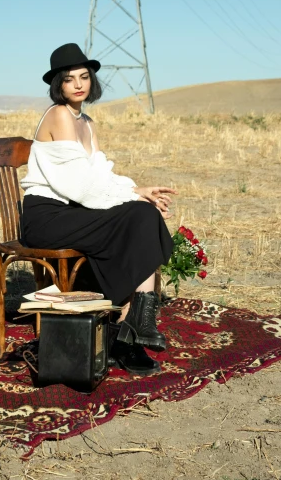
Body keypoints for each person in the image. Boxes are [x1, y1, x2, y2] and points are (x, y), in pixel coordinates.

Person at [20, 43, 175, 375]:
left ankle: (133, 328)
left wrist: (138, 191)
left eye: (84, 77)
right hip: (47, 216)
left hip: (72, 210)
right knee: (139, 216)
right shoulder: (59, 115)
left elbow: (98, 175)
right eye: (69, 79)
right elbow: (81, 187)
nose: (78, 84)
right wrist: (133, 199)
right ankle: (128, 334)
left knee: (142, 215)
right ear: (57, 85)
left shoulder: (86, 122)